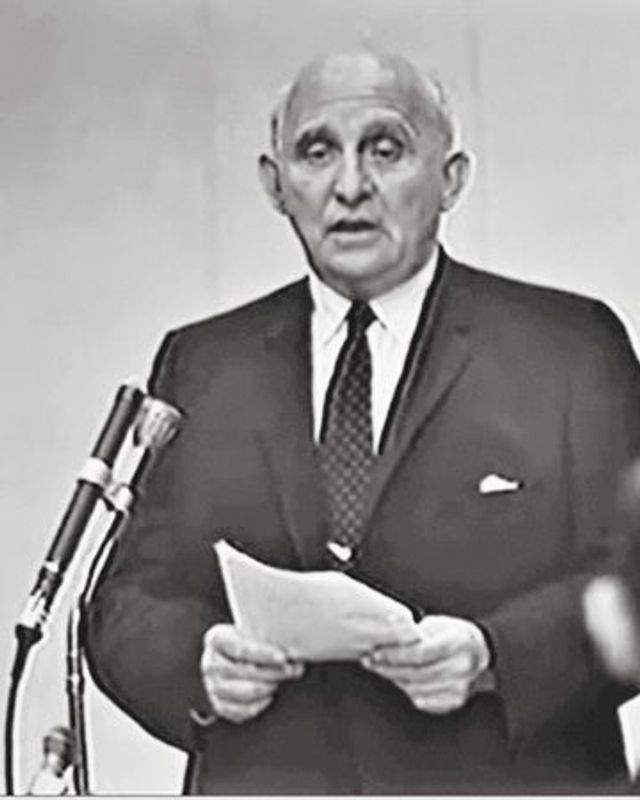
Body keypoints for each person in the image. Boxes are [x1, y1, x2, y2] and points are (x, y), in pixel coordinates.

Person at [86, 48, 640, 793]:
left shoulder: (569, 348)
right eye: (317, 152)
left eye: (386, 149)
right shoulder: (206, 364)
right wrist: (197, 661)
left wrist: (496, 655)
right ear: (275, 184)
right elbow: (124, 602)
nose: (350, 186)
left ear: (451, 179)